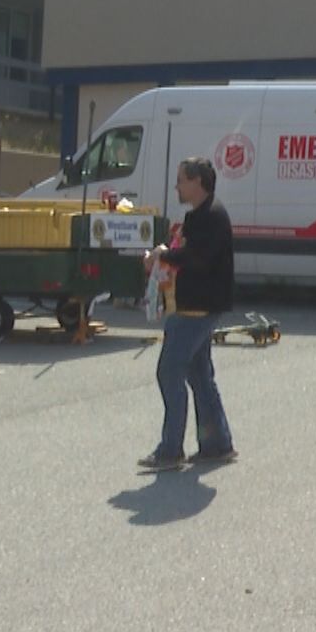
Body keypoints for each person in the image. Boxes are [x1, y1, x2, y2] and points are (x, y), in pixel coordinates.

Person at [138, 158, 237, 471]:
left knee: (169, 373)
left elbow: (198, 258)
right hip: (195, 305)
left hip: (197, 309)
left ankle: (170, 451)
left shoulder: (212, 216)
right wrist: (164, 255)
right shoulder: (200, 215)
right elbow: (191, 252)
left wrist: (164, 255)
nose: (177, 186)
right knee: (199, 375)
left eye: (181, 180)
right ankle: (216, 443)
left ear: (197, 182)